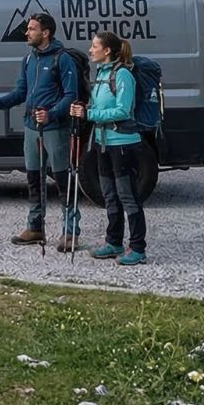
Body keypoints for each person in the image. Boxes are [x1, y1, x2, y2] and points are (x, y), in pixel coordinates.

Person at [0, 12, 82, 251]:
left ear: (46, 32)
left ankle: (70, 232)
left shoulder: (63, 59)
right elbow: (21, 92)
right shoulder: (28, 60)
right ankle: (35, 228)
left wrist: (52, 113)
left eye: (31, 29)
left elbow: (72, 95)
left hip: (55, 128)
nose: (27, 33)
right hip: (31, 127)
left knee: (62, 180)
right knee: (33, 179)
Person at [70, 30, 147, 266]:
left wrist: (90, 114)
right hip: (103, 143)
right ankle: (113, 242)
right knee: (109, 195)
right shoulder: (102, 74)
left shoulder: (123, 75)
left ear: (107, 51)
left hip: (123, 144)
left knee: (128, 196)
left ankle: (138, 248)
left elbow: (124, 110)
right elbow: (100, 105)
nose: (90, 50)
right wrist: (83, 108)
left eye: (94, 46)